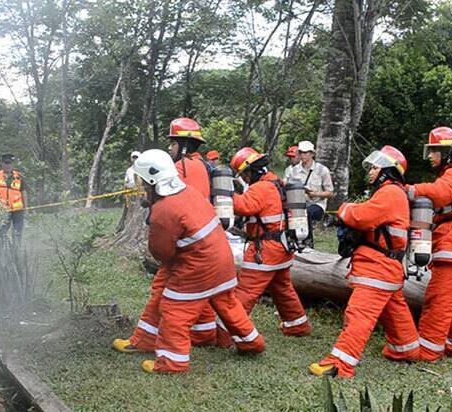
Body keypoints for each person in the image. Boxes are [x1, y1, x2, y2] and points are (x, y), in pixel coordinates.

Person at [112, 149, 265, 374]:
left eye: (142, 180)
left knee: (174, 310)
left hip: (198, 267)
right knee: (227, 304)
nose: (140, 185)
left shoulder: (164, 209)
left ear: (152, 179)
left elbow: (161, 252)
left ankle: (172, 363)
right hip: (222, 261)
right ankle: (252, 342)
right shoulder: (188, 192)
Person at [309, 146, 419, 378]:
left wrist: (346, 208)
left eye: (376, 167)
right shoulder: (393, 193)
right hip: (388, 266)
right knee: (394, 310)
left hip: (378, 267)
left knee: (359, 314)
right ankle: (406, 349)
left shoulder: (390, 193)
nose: (371, 171)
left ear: (389, 171)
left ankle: (340, 364)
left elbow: (361, 216)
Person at [115, 118, 216, 351]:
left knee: (161, 288)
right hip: (201, 237)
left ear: (183, 145)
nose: (170, 149)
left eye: (172, 145)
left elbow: (170, 201)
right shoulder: (201, 166)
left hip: (184, 240)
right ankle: (205, 334)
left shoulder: (180, 168)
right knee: (203, 291)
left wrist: (150, 201)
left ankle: (144, 340)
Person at [217, 147, 311, 346]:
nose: (245, 178)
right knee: (282, 289)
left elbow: (243, 206)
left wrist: (223, 192)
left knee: (245, 292)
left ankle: (225, 334)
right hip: (282, 248)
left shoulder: (261, 188)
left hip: (265, 251)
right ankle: (297, 325)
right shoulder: (276, 182)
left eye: (244, 174)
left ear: (251, 171)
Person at [406, 127, 452, 361]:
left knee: (439, 300)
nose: (430, 156)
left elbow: (439, 193)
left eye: (434, 151)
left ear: (448, 153)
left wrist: (409, 189)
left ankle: (429, 350)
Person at [285, 140, 334, 249]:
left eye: (306, 152)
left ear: (312, 154)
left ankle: (308, 244)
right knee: (286, 214)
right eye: (301, 152)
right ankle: (292, 241)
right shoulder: (294, 170)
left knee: (307, 213)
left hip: (317, 204)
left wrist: (315, 194)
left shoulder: (322, 170)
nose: (303, 155)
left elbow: (330, 193)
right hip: (298, 204)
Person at [0, 154, 27, 241]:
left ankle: (17, 253)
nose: (8, 165)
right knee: (1, 235)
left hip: (18, 211)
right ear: (2, 163)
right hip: (2, 211)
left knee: (17, 235)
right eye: (6, 163)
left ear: (12, 164)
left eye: (10, 163)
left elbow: (23, 192)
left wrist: (26, 208)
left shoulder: (19, 176)